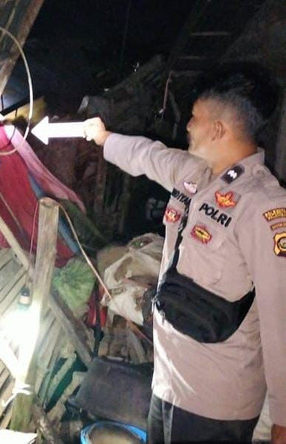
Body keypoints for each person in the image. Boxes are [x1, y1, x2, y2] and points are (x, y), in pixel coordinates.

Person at [83, 64, 286, 443]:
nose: (187, 127)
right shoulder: (193, 173)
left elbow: (282, 315)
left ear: (218, 129)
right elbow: (146, 155)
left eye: (194, 118)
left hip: (216, 402)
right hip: (168, 380)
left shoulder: (263, 207)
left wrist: (284, 420)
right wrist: (104, 137)